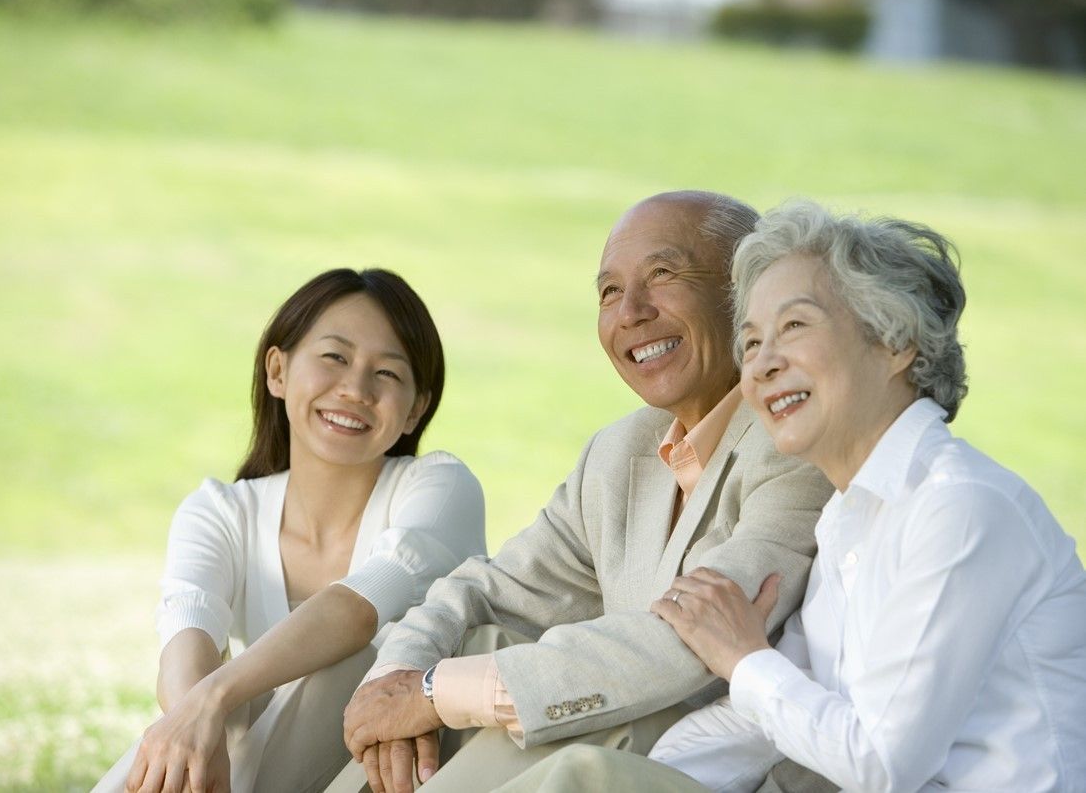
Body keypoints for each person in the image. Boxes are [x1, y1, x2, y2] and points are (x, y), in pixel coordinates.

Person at [501, 199, 1086, 791]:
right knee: (584, 775)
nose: (763, 367)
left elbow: (881, 763)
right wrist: (633, 778)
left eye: (795, 327)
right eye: (751, 343)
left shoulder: (960, 508)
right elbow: (755, 724)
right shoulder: (848, 518)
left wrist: (742, 659)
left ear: (894, 342)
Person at [334, 191, 834, 793]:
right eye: (608, 292)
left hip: (715, 767)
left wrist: (435, 696)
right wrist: (400, 675)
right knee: (466, 647)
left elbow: (695, 638)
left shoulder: (796, 443)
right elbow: (486, 589)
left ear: (747, 293)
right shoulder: (619, 452)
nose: (631, 312)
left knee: (482, 692)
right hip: (618, 739)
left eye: (662, 274)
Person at [93, 268, 486, 793]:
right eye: (334, 357)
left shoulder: (441, 488)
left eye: (387, 374)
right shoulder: (220, 510)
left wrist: (211, 701)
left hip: (409, 764)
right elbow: (188, 630)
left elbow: (360, 606)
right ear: (277, 370)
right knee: (209, 716)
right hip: (288, 765)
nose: (355, 389)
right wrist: (194, 723)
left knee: (351, 660)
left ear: (416, 408)